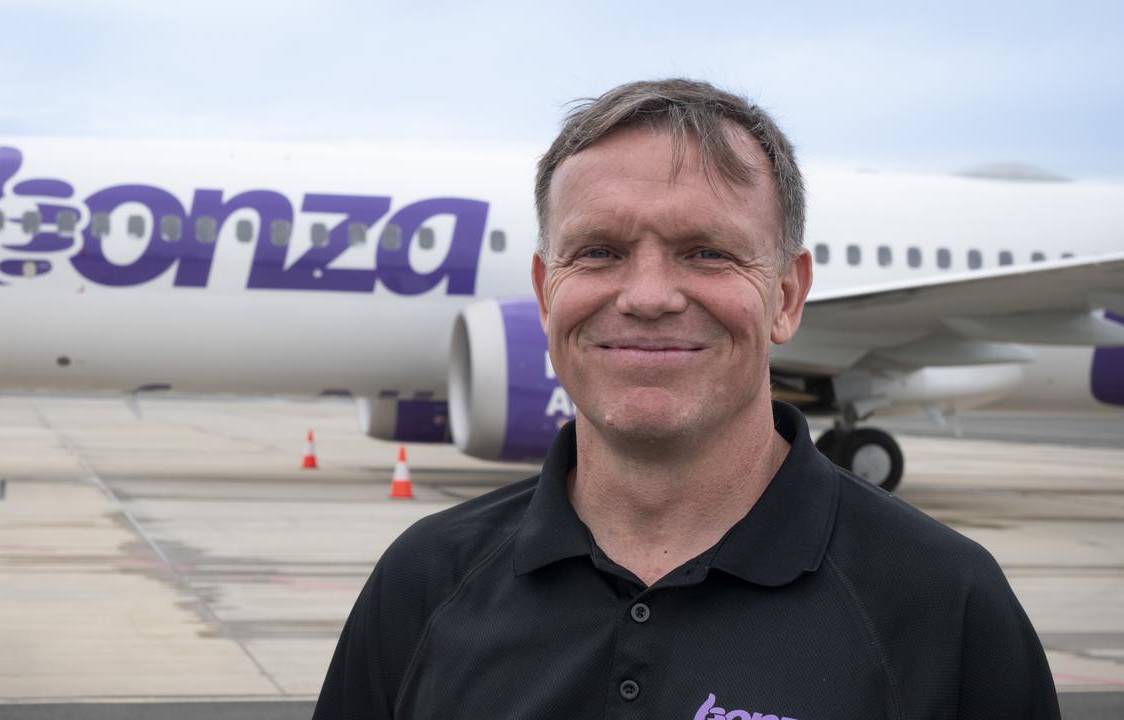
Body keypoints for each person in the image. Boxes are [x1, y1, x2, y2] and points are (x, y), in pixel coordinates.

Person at [313, 79, 1060, 719]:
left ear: (786, 296)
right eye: (599, 251)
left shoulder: (945, 603)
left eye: (706, 252)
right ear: (546, 292)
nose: (646, 297)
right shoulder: (423, 582)